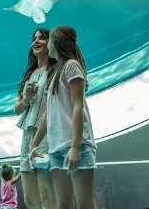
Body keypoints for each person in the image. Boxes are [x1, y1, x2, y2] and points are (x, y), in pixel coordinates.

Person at [30, 25, 97, 209]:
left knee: (85, 204)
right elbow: (47, 113)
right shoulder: (55, 73)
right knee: (63, 205)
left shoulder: (71, 66)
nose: (46, 44)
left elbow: (78, 106)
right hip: (56, 148)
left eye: (49, 40)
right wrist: (34, 144)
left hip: (77, 146)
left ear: (56, 43)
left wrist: (75, 147)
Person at [14, 28, 57, 209]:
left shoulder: (56, 71)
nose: (36, 41)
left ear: (51, 43)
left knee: (46, 193)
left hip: (46, 135)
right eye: (34, 38)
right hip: (27, 136)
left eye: (42, 38)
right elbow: (17, 110)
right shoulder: (28, 76)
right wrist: (27, 97)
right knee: (30, 200)